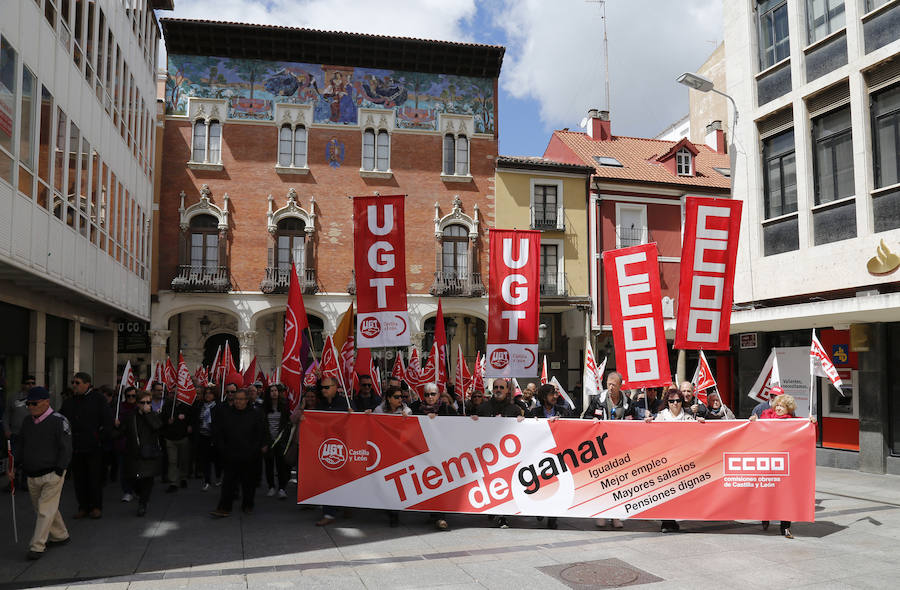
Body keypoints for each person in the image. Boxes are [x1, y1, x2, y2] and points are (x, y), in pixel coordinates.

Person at [12, 386, 72, 560]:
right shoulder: (27, 422)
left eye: (34, 403)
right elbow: (21, 445)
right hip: (32, 473)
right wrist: (14, 465)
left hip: (52, 473)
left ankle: (37, 545)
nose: (30, 407)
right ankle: (61, 535)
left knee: (45, 510)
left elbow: (66, 448)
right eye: (28, 404)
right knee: (43, 508)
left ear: (46, 402)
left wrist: (60, 470)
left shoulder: (59, 420)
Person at [749, 393, 812, 539]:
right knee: (767, 492)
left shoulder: (794, 422)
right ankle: (765, 519)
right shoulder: (764, 417)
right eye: (776, 405)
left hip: (785, 464)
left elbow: (808, 433)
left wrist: (811, 422)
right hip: (768, 462)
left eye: (782, 406)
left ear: (788, 408)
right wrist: (754, 421)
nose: (778, 408)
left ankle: (786, 527)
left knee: (785, 496)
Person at [646, 388, 704, 533]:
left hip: (681, 461)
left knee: (678, 491)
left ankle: (673, 519)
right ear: (667, 402)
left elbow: (698, 434)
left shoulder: (688, 418)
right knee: (666, 491)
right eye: (671, 401)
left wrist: (702, 422)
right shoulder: (660, 417)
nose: (675, 404)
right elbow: (651, 435)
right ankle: (666, 522)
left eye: (678, 401)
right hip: (665, 461)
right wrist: (647, 422)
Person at [60, 372, 114, 519]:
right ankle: (83, 506)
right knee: (79, 479)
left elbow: (108, 422)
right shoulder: (69, 402)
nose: (74, 386)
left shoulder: (98, 400)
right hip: (76, 447)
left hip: (93, 447)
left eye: (77, 383)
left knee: (94, 478)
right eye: (73, 382)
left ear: (87, 383)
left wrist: (98, 438)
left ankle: (96, 507)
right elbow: (61, 421)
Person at [210, 389, 269, 518]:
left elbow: (261, 432)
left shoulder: (255, 414)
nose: (238, 401)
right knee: (228, 483)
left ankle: (248, 505)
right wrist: (222, 448)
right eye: (236, 399)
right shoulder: (227, 414)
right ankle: (224, 507)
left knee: (248, 483)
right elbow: (219, 433)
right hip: (231, 454)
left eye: (241, 399)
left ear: (247, 400)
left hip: (249, 455)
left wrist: (258, 448)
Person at [474, 379, 523, 528]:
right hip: (487, 455)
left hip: (507, 456)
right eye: (495, 387)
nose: (498, 389)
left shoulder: (514, 409)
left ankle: (503, 516)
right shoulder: (482, 408)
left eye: (501, 387)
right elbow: (474, 430)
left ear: (507, 390)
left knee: (504, 485)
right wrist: (472, 421)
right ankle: (492, 509)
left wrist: (522, 421)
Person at [529, 384, 571, 530]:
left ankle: (553, 517)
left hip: (557, 456)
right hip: (539, 456)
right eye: (551, 394)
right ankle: (540, 509)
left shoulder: (563, 411)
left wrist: (560, 423)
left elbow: (573, 426)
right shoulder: (534, 412)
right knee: (541, 485)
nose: (555, 397)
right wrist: (526, 420)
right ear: (543, 396)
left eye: (555, 394)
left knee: (555, 486)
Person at [315, 376, 351, 526]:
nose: (323, 390)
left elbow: (357, 421)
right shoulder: (320, 404)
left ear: (335, 387)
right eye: (322, 388)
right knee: (327, 480)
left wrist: (354, 415)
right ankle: (328, 513)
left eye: (326, 387)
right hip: (326, 448)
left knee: (345, 479)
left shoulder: (345, 403)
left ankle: (347, 504)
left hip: (344, 448)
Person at [120, 391, 163, 517]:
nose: (146, 405)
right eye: (143, 402)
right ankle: (140, 495)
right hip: (134, 453)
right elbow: (121, 431)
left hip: (149, 453)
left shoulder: (154, 415)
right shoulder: (130, 416)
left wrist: (148, 413)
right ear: (137, 403)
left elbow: (157, 426)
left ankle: (143, 504)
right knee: (134, 479)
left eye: (148, 402)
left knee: (147, 480)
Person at [4, 375, 36, 492]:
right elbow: (6, 414)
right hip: (15, 434)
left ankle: (26, 482)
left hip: (31, 434)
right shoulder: (13, 397)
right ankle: (13, 482)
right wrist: (6, 429)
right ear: (22, 385)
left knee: (28, 459)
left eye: (33, 383)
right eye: (28, 383)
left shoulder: (38, 398)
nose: (31, 385)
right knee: (14, 460)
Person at [160, 390, 197, 493]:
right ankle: (173, 482)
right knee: (172, 461)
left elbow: (192, 418)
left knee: (183, 460)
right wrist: (167, 421)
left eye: (176, 392)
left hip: (183, 438)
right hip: (170, 439)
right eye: (172, 393)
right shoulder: (167, 405)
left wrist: (190, 426)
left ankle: (183, 477)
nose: (174, 395)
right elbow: (161, 420)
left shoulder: (187, 406)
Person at [262, 385, 291, 499]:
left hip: (280, 441)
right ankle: (271, 487)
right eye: (271, 391)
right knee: (269, 465)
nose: (274, 393)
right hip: (269, 440)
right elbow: (262, 425)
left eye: (275, 391)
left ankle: (282, 488)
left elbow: (287, 423)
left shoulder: (284, 406)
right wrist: (264, 442)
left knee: (281, 466)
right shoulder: (264, 407)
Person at [114, 387, 138, 502]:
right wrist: (116, 423)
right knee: (123, 469)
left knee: (137, 469)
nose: (131, 398)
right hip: (123, 444)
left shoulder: (140, 407)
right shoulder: (120, 408)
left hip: (137, 444)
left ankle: (137, 489)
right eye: (129, 396)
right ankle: (127, 491)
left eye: (133, 396)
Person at [196, 386, 221, 490]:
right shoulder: (200, 405)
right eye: (206, 393)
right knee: (205, 460)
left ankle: (218, 477)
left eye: (210, 393)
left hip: (214, 437)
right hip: (203, 436)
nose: (208, 395)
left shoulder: (218, 406)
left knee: (217, 460)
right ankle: (207, 481)